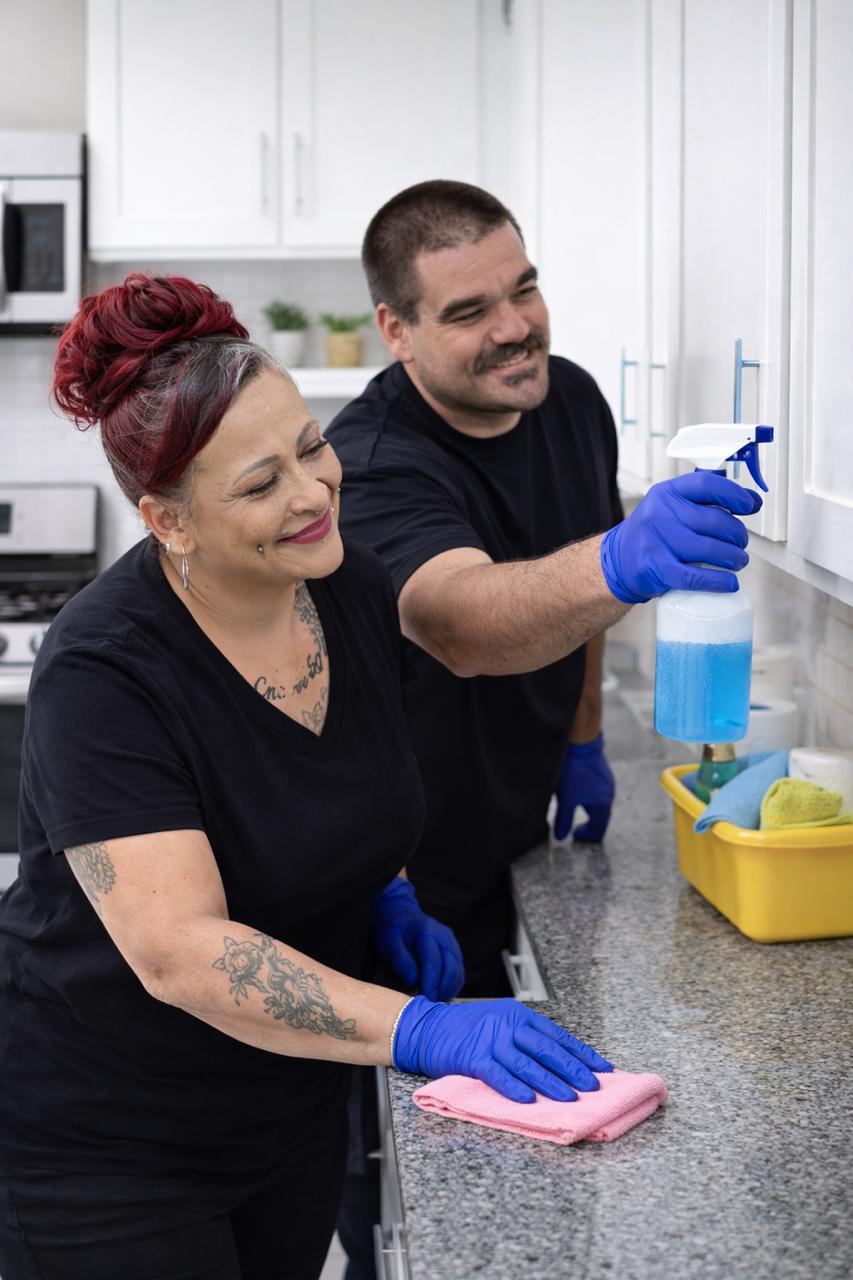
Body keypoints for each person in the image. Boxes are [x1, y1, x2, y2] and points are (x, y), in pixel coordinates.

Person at [0, 274, 618, 1280]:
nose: (312, 492)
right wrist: (422, 1027)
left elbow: (348, 779)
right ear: (170, 521)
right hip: (107, 1146)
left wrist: (390, 890)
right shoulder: (105, 667)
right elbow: (179, 951)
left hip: (289, 1109)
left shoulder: (348, 586)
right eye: (259, 482)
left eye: (312, 446)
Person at [327, 180, 762, 1276]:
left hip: (503, 833)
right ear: (398, 328)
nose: (515, 324)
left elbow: (579, 599)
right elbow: (460, 621)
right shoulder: (375, 461)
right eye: (469, 310)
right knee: (394, 1172)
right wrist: (623, 557)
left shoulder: (567, 400)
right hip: (388, 880)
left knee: (522, 1189)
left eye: (522, 287)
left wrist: (580, 736)